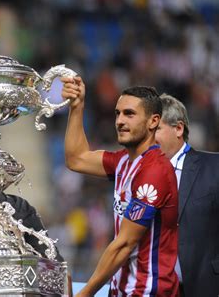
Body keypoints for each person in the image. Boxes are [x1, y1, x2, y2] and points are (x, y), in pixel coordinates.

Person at [61, 77, 179, 297]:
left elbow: (125, 243)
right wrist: (77, 106)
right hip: (122, 291)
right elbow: (76, 158)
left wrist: (85, 293)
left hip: (149, 292)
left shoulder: (155, 171)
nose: (120, 121)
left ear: (153, 121)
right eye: (118, 113)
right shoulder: (123, 161)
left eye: (129, 114)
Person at [155, 94, 219, 297]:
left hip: (206, 288)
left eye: (155, 129)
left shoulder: (214, 167)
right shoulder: (140, 174)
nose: (148, 138)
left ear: (179, 128)